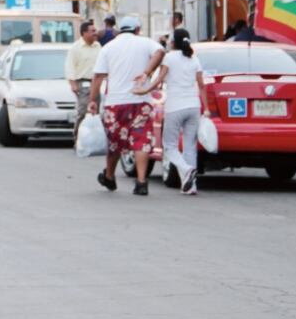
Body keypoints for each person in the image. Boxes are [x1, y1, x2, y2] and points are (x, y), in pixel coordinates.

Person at [87, 15, 164, 195]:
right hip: (141, 100)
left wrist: (92, 101)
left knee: (114, 142)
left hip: (115, 103)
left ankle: (110, 176)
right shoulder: (145, 42)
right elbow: (160, 52)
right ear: (137, 29)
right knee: (141, 141)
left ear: (119, 30)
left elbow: (98, 76)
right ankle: (141, 181)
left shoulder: (108, 47)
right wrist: (147, 72)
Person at [134, 28, 208, 195]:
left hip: (175, 107)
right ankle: (190, 186)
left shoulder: (169, 58)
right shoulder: (194, 59)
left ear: (173, 41)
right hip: (194, 107)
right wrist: (207, 109)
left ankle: (186, 169)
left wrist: (144, 91)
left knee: (169, 147)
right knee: (190, 147)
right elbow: (202, 86)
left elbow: (159, 80)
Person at [65, 20, 101, 138]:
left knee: (96, 110)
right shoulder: (76, 48)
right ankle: (78, 137)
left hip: (96, 82)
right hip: (83, 82)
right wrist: (73, 83)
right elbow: (70, 66)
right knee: (84, 110)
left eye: (95, 31)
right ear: (84, 33)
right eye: (92, 31)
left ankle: (93, 138)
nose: (95, 33)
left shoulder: (98, 46)